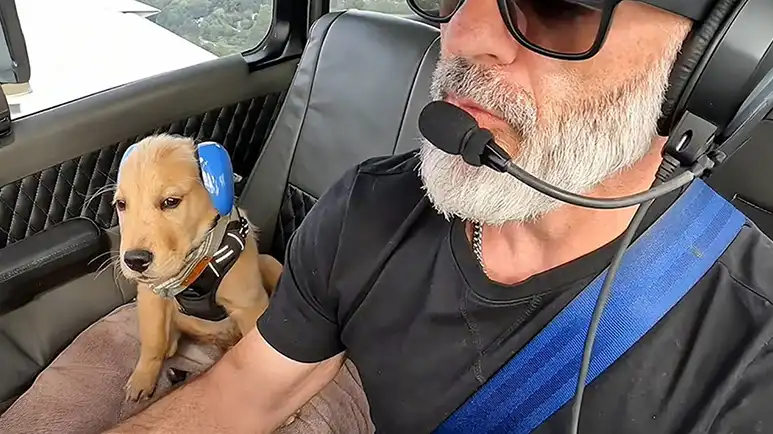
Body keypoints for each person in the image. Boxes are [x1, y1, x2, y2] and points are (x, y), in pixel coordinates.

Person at [106, 1, 773, 433]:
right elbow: (246, 393)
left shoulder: (749, 355)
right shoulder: (368, 208)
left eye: (556, 5)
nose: (462, 36)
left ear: (711, 66)